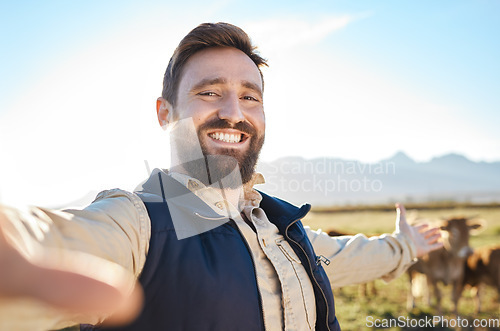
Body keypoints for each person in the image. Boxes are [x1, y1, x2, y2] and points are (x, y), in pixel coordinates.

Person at [0, 22, 442, 331]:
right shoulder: (138, 225)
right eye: (209, 92)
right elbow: (51, 241)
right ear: (165, 113)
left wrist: (406, 246)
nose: (233, 112)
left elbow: (345, 257)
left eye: (250, 97)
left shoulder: (281, 228)